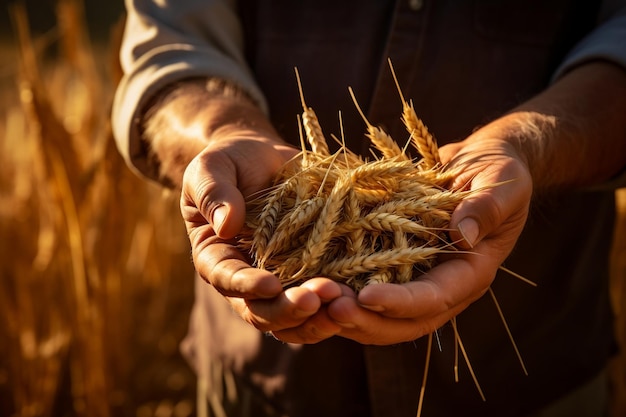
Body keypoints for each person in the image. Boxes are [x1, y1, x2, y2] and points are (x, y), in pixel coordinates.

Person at [112, 1, 626, 416]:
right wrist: (223, 132)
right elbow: (171, 46)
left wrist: (526, 146)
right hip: (260, 389)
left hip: (531, 384)